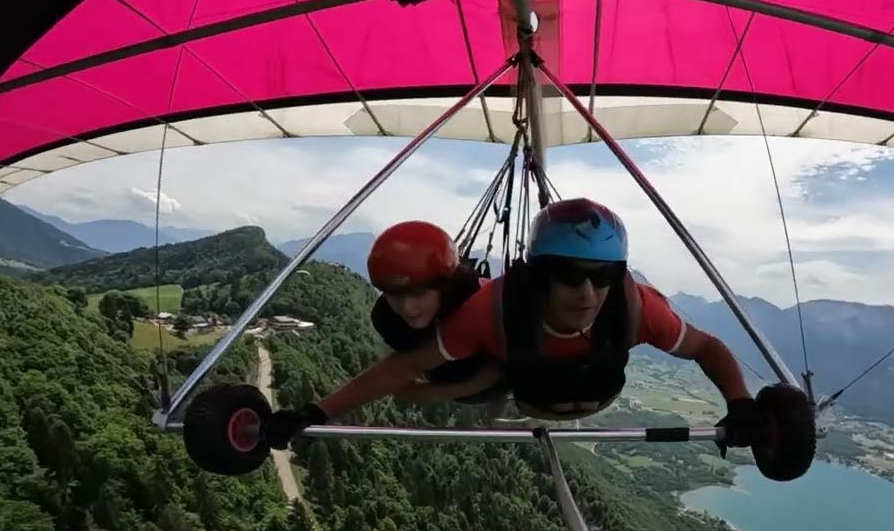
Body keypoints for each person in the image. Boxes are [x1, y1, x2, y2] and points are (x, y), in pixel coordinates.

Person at [266, 199, 815, 479]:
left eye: (602, 276)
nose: (587, 291)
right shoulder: (490, 311)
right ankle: (488, 384)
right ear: (539, 273)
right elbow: (398, 367)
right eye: (569, 274)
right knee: (471, 366)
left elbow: (707, 348)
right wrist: (313, 410)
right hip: (528, 389)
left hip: (596, 391)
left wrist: (741, 404)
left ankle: (488, 382)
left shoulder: (635, 306)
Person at [365, 221, 505, 405]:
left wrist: (434, 392)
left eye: (419, 294)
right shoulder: (388, 319)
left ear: (445, 287)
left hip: (500, 374)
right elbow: (401, 372)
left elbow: (501, 369)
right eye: (394, 295)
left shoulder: (477, 304)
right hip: (451, 376)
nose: (407, 308)